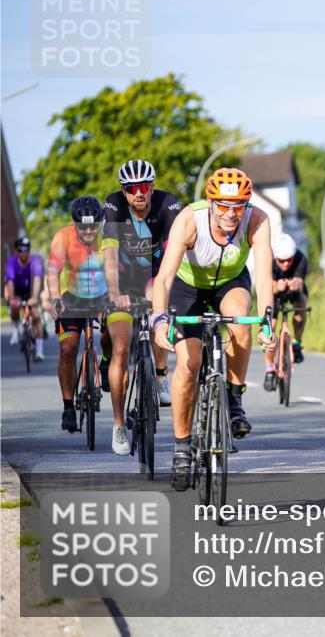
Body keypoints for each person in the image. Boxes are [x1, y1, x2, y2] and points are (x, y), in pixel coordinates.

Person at [151, 167, 275, 491]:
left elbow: (264, 277)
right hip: (187, 286)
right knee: (188, 366)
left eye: (238, 206)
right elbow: (163, 279)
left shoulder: (257, 220)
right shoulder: (189, 220)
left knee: (241, 320)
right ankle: (181, 449)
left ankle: (234, 400)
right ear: (211, 202)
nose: (231, 214)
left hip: (229, 282)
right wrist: (159, 319)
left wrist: (267, 322)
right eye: (223, 206)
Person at [102, 159, 182, 445]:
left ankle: (160, 374)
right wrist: (115, 293)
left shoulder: (167, 205)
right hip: (123, 281)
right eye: (132, 188)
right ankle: (118, 425)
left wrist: (164, 290)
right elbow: (110, 257)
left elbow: (175, 252)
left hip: (155, 276)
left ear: (153, 187)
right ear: (124, 192)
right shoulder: (113, 206)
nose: (139, 193)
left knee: (158, 312)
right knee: (120, 348)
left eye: (144, 187)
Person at [47, 196, 119, 449]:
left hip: (102, 295)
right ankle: (68, 406)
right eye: (83, 227)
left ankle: (106, 362)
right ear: (74, 224)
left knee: (114, 334)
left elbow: (116, 269)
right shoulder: (62, 237)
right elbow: (53, 272)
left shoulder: (107, 237)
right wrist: (55, 298)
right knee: (68, 349)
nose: (88, 232)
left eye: (93, 227)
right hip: (72, 297)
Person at [263, 233, 309, 390]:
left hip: (294, 290)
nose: (286, 264)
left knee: (301, 304)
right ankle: (269, 369)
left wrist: (295, 283)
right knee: (271, 325)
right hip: (274, 291)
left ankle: (297, 343)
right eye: (281, 261)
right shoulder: (268, 261)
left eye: (289, 259)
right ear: (276, 258)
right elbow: (266, 285)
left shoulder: (301, 258)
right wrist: (277, 287)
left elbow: (300, 281)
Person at [4, 236, 45, 360]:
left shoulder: (35, 261)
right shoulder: (11, 262)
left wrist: (34, 298)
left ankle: (39, 351)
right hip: (17, 290)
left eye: (26, 249)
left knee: (36, 316)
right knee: (14, 305)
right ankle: (16, 329)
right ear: (16, 251)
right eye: (20, 249)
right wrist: (12, 299)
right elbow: (10, 282)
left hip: (31, 290)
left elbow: (37, 279)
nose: (24, 252)